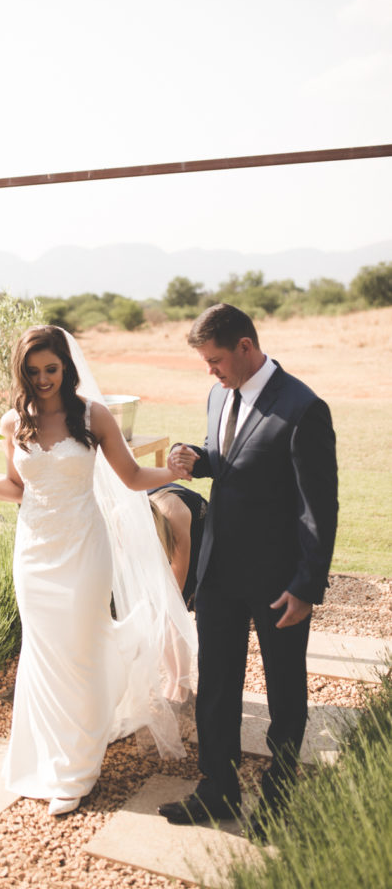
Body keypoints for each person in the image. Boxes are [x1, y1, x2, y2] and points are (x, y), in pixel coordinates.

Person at [0, 325, 196, 817]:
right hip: (34, 552)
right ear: (21, 372)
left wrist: (173, 473)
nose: (43, 378)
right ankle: (44, 756)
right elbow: (17, 488)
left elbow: (131, 477)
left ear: (65, 366)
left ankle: (75, 770)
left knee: (81, 650)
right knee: (44, 653)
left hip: (85, 549)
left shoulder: (93, 415)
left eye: (51, 368)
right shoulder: (13, 422)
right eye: (33, 370)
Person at [158, 304, 338, 836]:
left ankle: (280, 797)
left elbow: (318, 508)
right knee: (216, 685)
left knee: (284, 691)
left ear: (244, 346)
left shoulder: (305, 408)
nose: (210, 371)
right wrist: (199, 456)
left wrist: (307, 585)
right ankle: (218, 789)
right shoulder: (219, 394)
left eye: (215, 360)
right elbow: (229, 456)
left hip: (280, 578)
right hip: (219, 571)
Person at [147, 483, 207, 609]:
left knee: (178, 599)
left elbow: (177, 580)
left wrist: (168, 611)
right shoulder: (121, 517)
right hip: (166, 527)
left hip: (200, 528)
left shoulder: (173, 513)